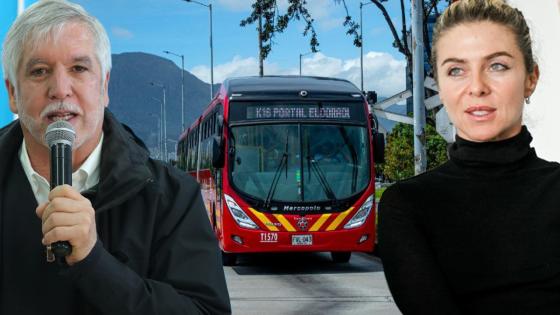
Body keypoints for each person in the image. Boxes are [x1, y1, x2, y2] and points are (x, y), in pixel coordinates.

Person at [0, 1, 230, 314]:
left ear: (105, 86)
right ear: (13, 93)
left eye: (79, 69)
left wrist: (94, 263)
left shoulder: (171, 198)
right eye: (39, 71)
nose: (60, 89)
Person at [378, 0, 560, 314]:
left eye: (497, 66)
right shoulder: (408, 206)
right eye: (457, 70)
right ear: (440, 84)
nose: (476, 87)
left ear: (531, 78)